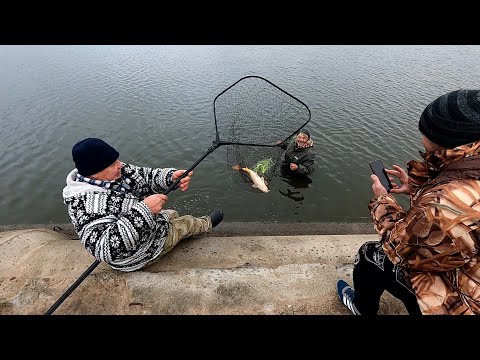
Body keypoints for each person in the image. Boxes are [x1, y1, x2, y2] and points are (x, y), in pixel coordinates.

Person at [337, 89, 480, 315]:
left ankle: (361, 308)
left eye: (425, 129)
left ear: (444, 138)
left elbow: (400, 249)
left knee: (370, 255)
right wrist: (418, 189)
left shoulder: (446, 202)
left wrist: (382, 199)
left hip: (466, 302)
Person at [62, 137, 224, 272]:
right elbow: (104, 249)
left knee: (171, 213)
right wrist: (144, 210)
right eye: (112, 164)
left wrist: (170, 177)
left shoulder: (116, 170)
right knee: (185, 223)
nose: (120, 164)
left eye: (116, 159)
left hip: (146, 221)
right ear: (95, 173)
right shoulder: (86, 206)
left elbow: (145, 176)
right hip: (139, 252)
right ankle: (206, 224)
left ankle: (166, 221)